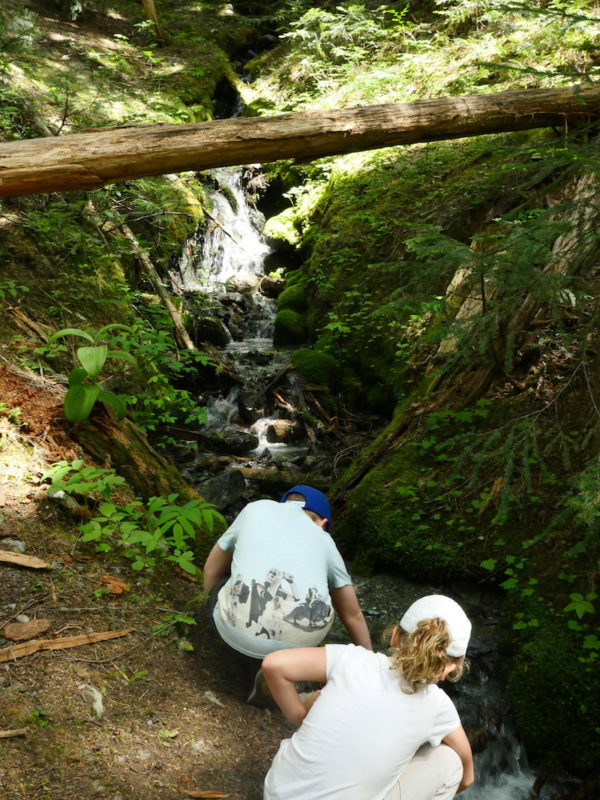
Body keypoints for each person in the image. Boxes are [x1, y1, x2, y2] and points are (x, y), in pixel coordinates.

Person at [262, 594, 475, 800]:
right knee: (451, 762)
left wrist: (300, 717)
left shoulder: (350, 658)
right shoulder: (437, 706)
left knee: (318, 697)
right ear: (451, 668)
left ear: (394, 636)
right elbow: (467, 778)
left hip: (279, 794)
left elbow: (274, 665)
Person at [202, 485, 372, 702]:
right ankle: (289, 676)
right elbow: (352, 615)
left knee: (225, 584)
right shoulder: (324, 540)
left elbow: (211, 569)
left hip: (236, 633)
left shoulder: (255, 509)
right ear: (323, 523)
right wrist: (370, 663)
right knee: (318, 606)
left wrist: (209, 611)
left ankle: (245, 662)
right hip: (298, 644)